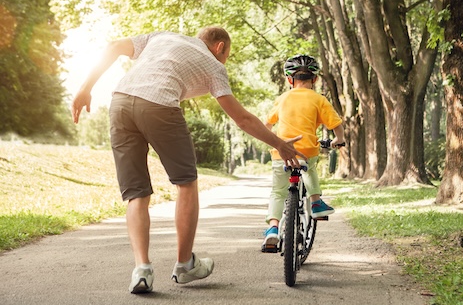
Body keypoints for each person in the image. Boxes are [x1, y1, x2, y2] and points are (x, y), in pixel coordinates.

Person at [71, 27, 306, 294]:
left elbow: (113, 45)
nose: (224, 60)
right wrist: (279, 144)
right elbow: (242, 118)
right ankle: (184, 265)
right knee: (186, 183)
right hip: (159, 106)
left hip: (120, 103)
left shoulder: (161, 37)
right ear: (219, 47)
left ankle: (142, 269)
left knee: (136, 193)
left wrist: (85, 88)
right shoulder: (214, 65)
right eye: (227, 55)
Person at [262, 54, 345, 249]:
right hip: (307, 150)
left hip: (281, 152)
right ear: (314, 79)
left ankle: (273, 228)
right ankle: (315, 202)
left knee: (277, 191)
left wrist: (272, 142)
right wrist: (338, 140)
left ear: (289, 80)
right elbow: (336, 124)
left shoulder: (282, 98)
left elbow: (267, 125)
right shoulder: (319, 99)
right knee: (310, 168)